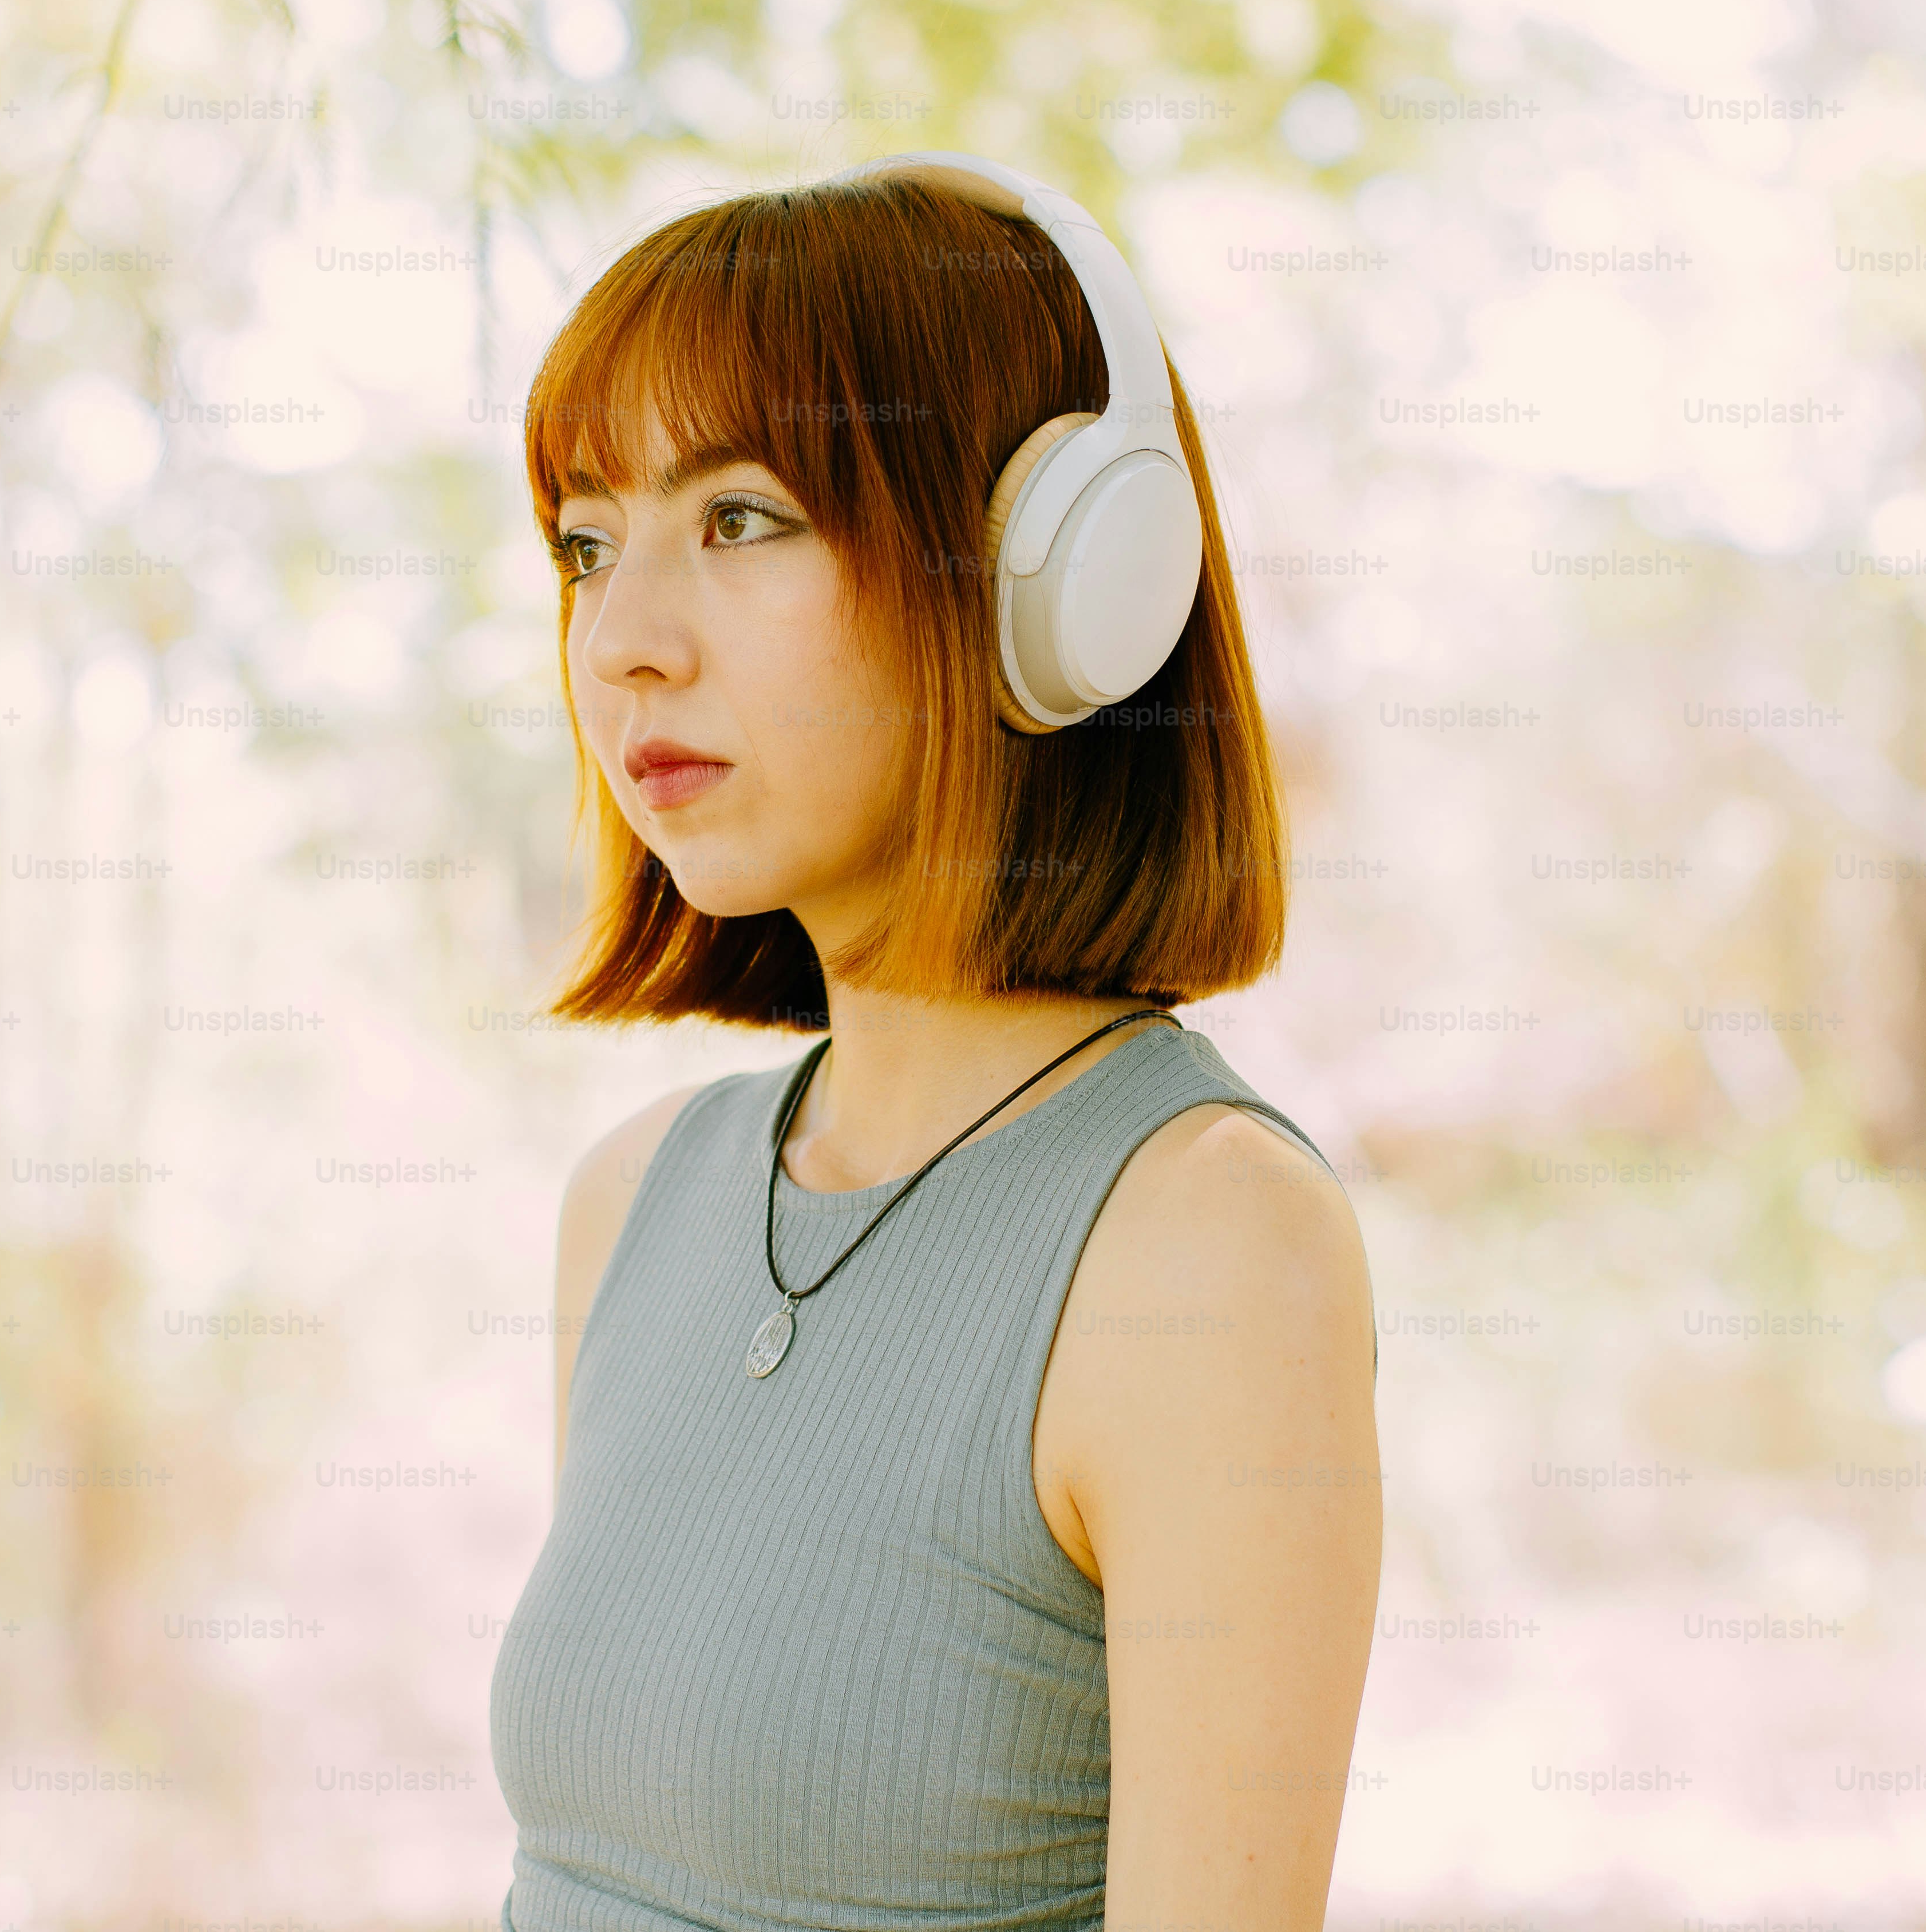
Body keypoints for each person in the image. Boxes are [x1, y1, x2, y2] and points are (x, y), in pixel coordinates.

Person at [488, 152, 1382, 1929]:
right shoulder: (635, 1201)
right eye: (592, 547)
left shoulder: (1203, 1240)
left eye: (738, 519)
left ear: (1059, 577)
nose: (626, 646)